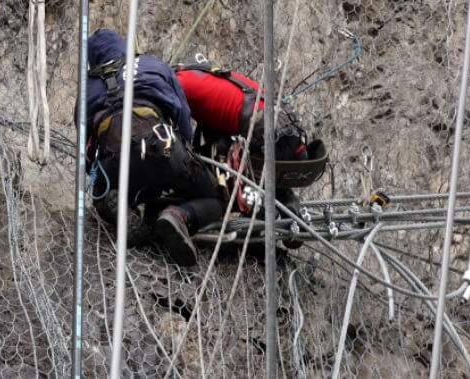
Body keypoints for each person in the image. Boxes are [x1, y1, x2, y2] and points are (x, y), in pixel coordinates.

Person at [80, 29, 226, 266]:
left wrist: (99, 178)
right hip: (161, 146)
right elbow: (182, 113)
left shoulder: (87, 87)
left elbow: (86, 151)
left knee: (104, 192)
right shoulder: (152, 64)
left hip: (114, 160)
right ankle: (179, 215)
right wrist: (186, 150)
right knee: (215, 197)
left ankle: (120, 204)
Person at [174, 58, 328, 247]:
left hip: (266, 134)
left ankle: (254, 230)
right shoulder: (205, 75)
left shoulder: (176, 85)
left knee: (228, 176)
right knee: (265, 178)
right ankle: (288, 210)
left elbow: (181, 140)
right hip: (290, 135)